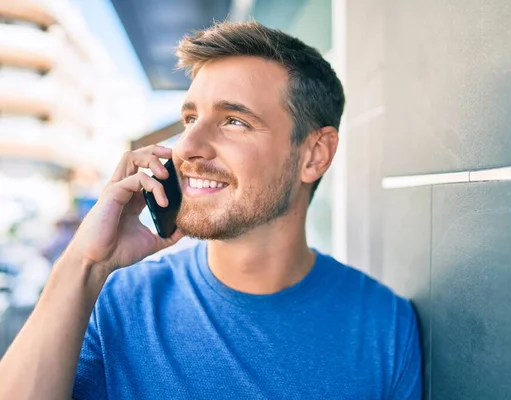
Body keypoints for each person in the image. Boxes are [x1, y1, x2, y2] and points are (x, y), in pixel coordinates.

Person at [0, 21, 421, 399]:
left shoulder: (384, 326)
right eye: (189, 119)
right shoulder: (117, 301)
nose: (187, 147)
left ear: (315, 154)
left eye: (234, 121)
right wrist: (84, 264)